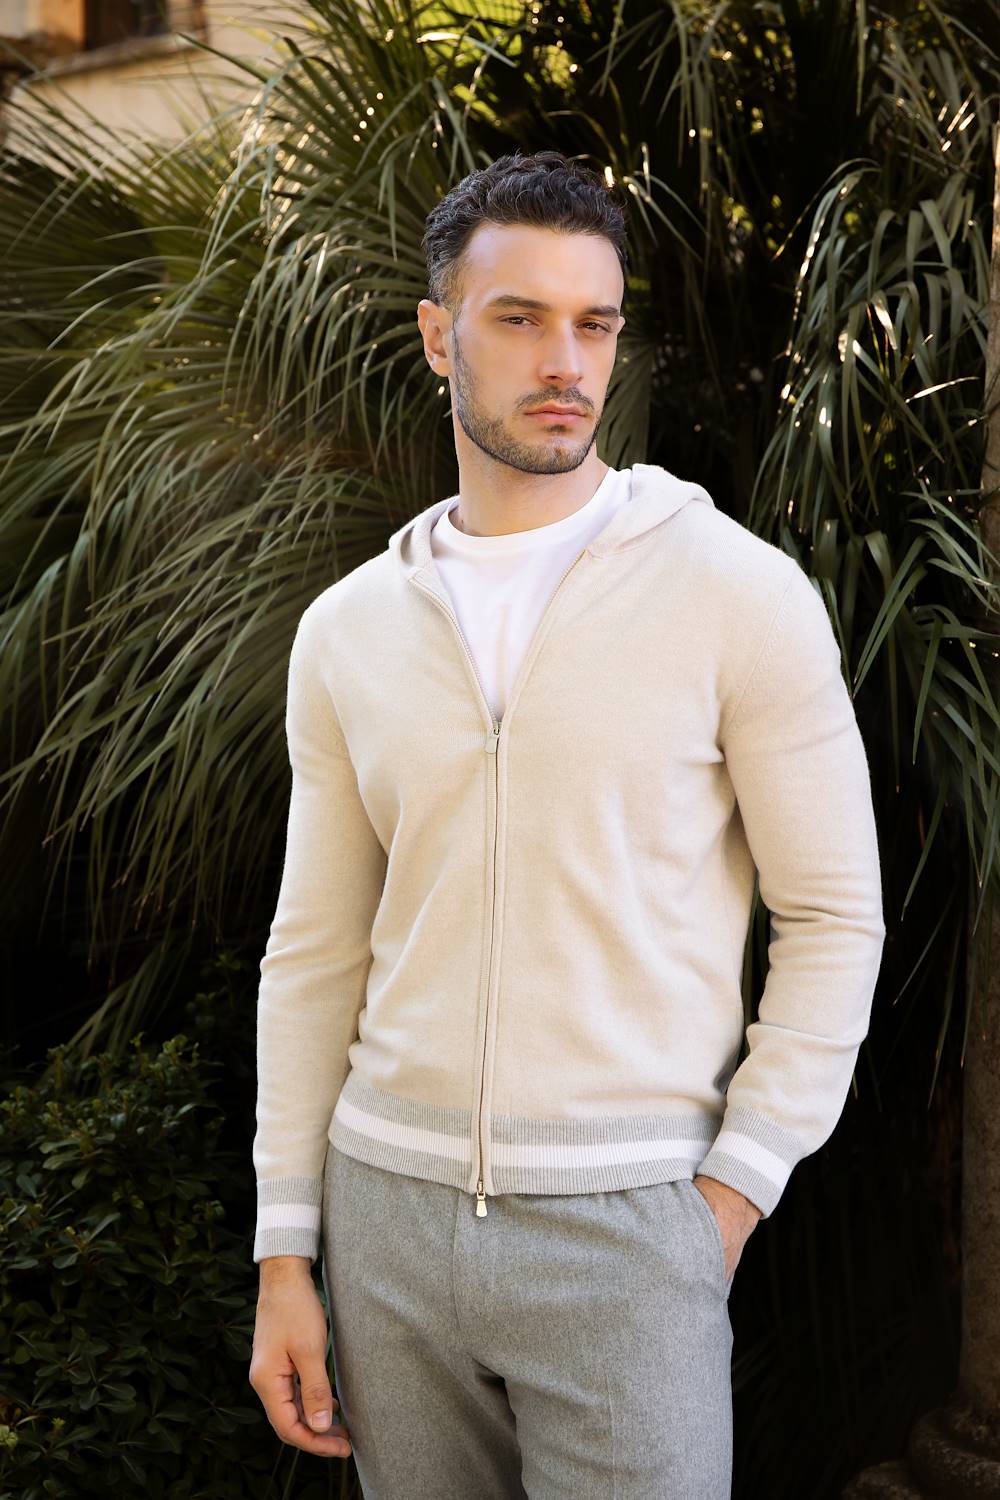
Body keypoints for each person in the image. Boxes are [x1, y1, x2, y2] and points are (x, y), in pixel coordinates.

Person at [248, 149, 886, 1498]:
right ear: (439, 336)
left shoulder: (737, 593)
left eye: (594, 323)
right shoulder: (347, 633)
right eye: (519, 317)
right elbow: (314, 951)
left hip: (633, 1227)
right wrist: (286, 1249)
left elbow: (835, 918)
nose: (565, 361)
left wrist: (730, 1193)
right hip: (387, 1219)